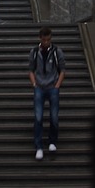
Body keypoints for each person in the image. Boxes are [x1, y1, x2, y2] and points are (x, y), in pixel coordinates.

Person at [29, 26, 64, 160]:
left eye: (48, 40)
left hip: (52, 86)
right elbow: (31, 69)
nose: (46, 42)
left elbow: (62, 69)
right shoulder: (34, 52)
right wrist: (34, 83)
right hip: (39, 86)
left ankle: (52, 141)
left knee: (54, 116)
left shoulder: (56, 52)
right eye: (44, 40)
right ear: (40, 39)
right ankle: (38, 146)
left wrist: (57, 85)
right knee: (38, 117)